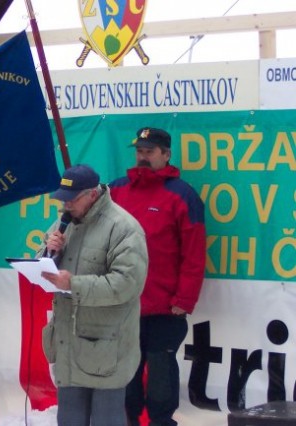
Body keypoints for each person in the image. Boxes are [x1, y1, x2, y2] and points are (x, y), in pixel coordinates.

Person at [109, 127, 207, 426]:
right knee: (126, 379)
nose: (142, 157)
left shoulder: (183, 196)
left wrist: (184, 300)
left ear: (166, 154)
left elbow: (194, 254)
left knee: (161, 383)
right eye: (139, 151)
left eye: (150, 152)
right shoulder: (116, 190)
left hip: (164, 308)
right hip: (123, 304)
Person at [40, 164, 148, 426]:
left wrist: (73, 284)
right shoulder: (65, 223)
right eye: (62, 199)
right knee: (69, 419)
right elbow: (46, 270)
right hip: (68, 343)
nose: (65, 206)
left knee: (106, 420)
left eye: (71, 199)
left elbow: (127, 284)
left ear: (92, 194)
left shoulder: (123, 228)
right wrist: (48, 253)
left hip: (105, 349)